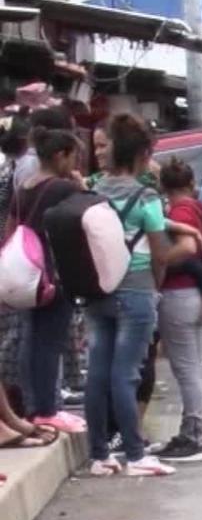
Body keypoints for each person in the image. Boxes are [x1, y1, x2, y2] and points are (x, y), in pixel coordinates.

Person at [85, 115, 175, 477]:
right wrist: (157, 284)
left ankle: (99, 454)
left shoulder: (91, 189)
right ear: (140, 152)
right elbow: (161, 253)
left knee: (98, 373)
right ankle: (136, 454)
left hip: (97, 291)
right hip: (135, 290)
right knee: (126, 375)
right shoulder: (147, 196)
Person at [7, 126, 83, 431]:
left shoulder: (24, 187)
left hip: (27, 275)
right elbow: (87, 217)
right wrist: (80, 186)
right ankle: (47, 408)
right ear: (59, 155)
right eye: (72, 157)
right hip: (53, 273)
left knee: (30, 339)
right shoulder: (62, 189)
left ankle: (32, 407)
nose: (74, 164)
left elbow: (12, 228)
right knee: (50, 342)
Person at [149, 158, 202, 463]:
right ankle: (191, 430)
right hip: (194, 294)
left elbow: (190, 249)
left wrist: (161, 259)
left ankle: (194, 436)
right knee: (192, 366)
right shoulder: (197, 207)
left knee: (186, 368)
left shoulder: (180, 211)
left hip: (179, 294)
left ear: (164, 187)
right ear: (191, 183)